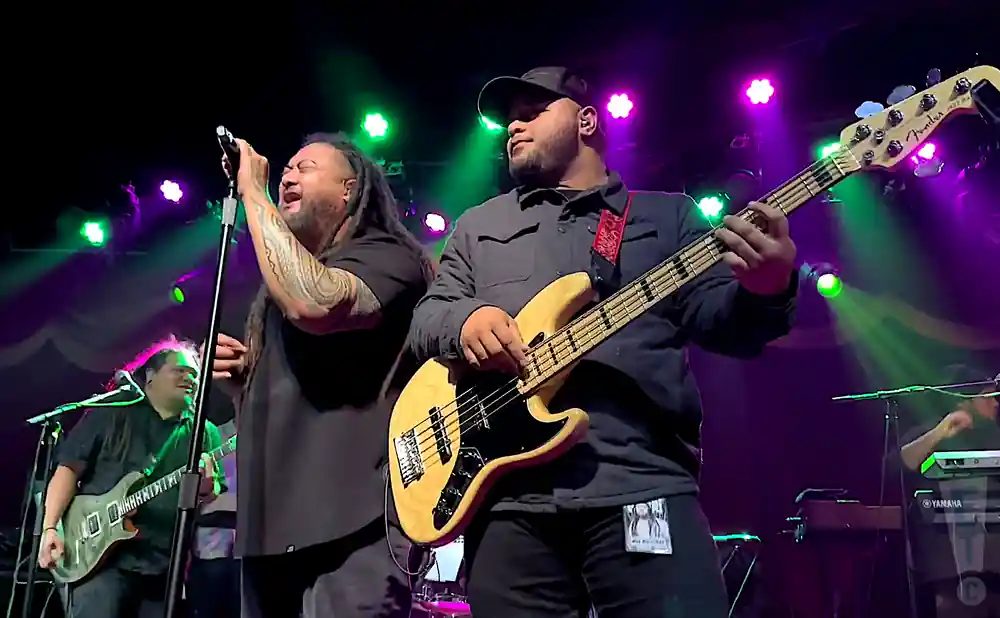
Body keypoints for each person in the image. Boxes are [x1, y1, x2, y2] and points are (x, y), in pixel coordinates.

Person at [408, 66, 799, 618]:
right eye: (508, 119)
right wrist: (467, 321)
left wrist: (768, 288)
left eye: (532, 111)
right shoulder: (478, 227)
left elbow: (726, 326)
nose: (513, 127)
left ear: (587, 119)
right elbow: (427, 319)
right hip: (510, 501)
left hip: (641, 483)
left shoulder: (667, 217)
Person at [207, 132, 433, 617]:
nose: (287, 174)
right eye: (286, 167)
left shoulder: (388, 256)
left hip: (354, 522)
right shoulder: (274, 294)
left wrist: (253, 192)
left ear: (349, 190)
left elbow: (317, 303)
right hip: (271, 528)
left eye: (305, 167)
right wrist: (241, 384)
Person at [38, 336, 224, 618]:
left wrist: (207, 488)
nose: (191, 379)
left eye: (195, 375)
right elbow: (68, 469)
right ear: (150, 375)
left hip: (163, 564)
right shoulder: (112, 411)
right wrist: (51, 528)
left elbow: (208, 495)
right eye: (180, 371)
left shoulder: (204, 432)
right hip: (99, 557)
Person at [900, 364, 1000, 618]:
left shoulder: (994, 436)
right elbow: (897, 465)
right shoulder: (934, 433)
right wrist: (940, 432)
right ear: (963, 402)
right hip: (950, 569)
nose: (996, 403)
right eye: (988, 397)